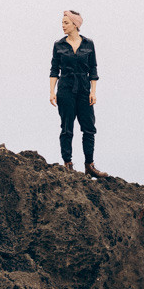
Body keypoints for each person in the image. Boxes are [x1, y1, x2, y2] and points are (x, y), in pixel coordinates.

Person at [49, 10, 107, 176]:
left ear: (76, 25)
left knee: (89, 128)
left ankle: (89, 166)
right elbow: (54, 70)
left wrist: (93, 92)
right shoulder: (58, 45)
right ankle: (68, 164)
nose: (63, 26)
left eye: (66, 23)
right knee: (67, 128)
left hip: (84, 89)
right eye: (62, 22)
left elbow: (93, 69)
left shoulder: (89, 44)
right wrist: (52, 92)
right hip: (65, 89)